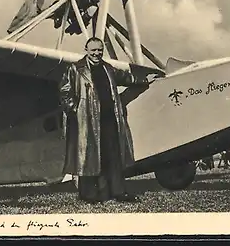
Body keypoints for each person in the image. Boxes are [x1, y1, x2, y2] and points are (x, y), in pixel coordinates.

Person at [59, 37, 159, 204]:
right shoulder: (75, 69)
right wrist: (74, 109)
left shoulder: (108, 68)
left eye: (99, 50)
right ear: (86, 50)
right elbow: (65, 91)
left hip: (109, 119)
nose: (97, 53)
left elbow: (126, 78)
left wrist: (144, 79)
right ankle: (88, 195)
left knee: (113, 156)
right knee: (88, 157)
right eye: (93, 50)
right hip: (87, 121)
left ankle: (118, 192)